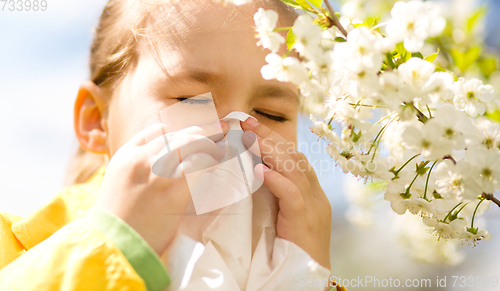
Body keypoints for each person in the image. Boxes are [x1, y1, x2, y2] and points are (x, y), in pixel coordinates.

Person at [0, 0, 343, 290]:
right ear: (96, 120)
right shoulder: (12, 251)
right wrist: (115, 247)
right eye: (191, 99)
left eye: (270, 114)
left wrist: (307, 274)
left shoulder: (297, 263)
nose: (233, 133)